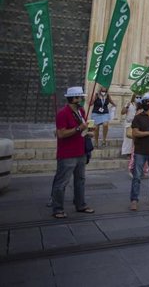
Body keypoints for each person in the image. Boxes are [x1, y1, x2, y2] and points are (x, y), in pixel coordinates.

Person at [51, 86, 95, 219]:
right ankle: (58, 208)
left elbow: (81, 129)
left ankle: (80, 204)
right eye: (80, 97)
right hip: (67, 154)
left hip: (80, 151)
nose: (82, 99)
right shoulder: (63, 113)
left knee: (80, 180)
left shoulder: (81, 111)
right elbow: (61, 133)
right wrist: (78, 128)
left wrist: (87, 133)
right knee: (62, 182)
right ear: (74, 98)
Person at [120, 94, 140, 177]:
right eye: (136, 97)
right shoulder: (129, 104)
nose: (137, 98)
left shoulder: (140, 106)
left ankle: (133, 153)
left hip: (136, 124)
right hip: (129, 123)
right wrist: (126, 107)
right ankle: (128, 153)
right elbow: (122, 112)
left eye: (139, 97)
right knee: (128, 139)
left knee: (134, 140)